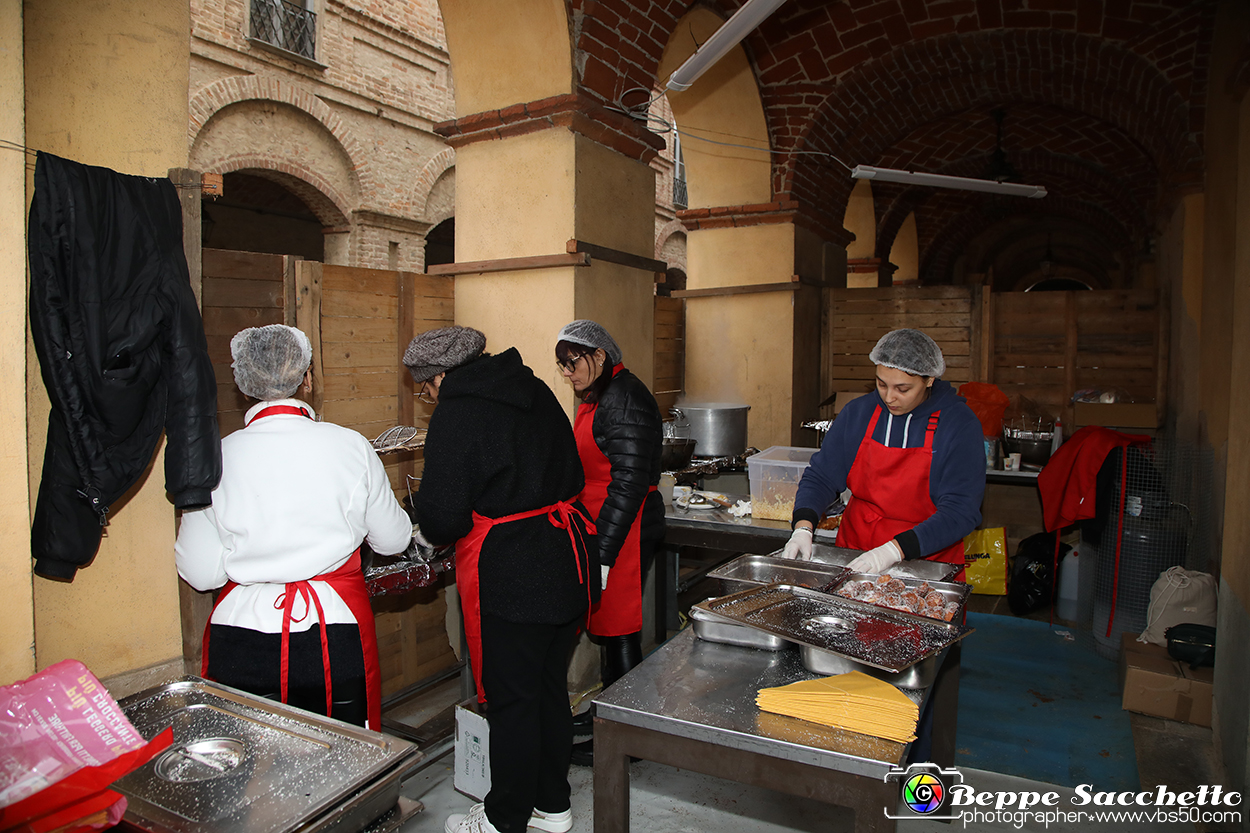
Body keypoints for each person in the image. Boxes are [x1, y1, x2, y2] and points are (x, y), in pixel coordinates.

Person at [405, 326, 595, 833]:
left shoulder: (458, 412)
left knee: (513, 703)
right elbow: (571, 472)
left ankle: (501, 818)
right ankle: (553, 805)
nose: (427, 397)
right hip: (566, 557)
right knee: (550, 690)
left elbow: (443, 518)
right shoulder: (533, 387)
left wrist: (434, 516)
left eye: (425, 388)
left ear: (442, 376)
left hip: (513, 574)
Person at [174, 324, 412, 730]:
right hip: (333, 628)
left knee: (246, 762)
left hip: (241, 631)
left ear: (242, 385)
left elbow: (200, 573)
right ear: (308, 379)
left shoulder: (215, 457)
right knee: (343, 758)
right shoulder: (349, 445)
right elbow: (394, 541)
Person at [782, 328, 985, 580]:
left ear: (929, 380)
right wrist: (803, 527)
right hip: (855, 554)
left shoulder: (959, 424)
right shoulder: (859, 413)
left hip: (927, 563)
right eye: (881, 384)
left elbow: (961, 511)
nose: (890, 397)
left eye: (903, 388)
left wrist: (891, 552)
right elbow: (822, 477)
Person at [554, 320, 665, 766]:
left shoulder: (625, 398)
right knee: (606, 625)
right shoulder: (599, 395)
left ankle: (624, 737)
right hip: (604, 523)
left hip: (626, 524)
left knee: (620, 627)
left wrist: (603, 553)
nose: (568, 373)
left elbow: (630, 483)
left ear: (600, 356)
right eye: (562, 366)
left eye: (573, 363)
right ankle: (607, 714)